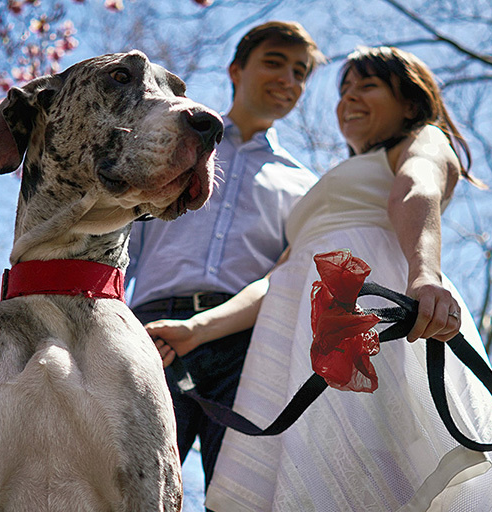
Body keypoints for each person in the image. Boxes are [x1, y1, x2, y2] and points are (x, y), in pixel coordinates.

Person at [146, 46, 492, 511]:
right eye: (344, 89)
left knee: (377, 465)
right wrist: (197, 330)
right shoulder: (327, 183)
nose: (349, 99)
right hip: (298, 343)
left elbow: (417, 190)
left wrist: (425, 273)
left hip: (370, 324)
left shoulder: (420, 139)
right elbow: (281, 277)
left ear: (410, 104)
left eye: (367, 86)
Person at [125, 21, 324, 489]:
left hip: (249, 347)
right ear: (236, 69)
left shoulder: (305, 185)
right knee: (129, 490)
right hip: (151, 335)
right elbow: (122, 241)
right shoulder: (177, 137)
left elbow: (290, 276)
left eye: (300, 72)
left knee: (242, 496)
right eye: (274, 62)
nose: (288, 80)